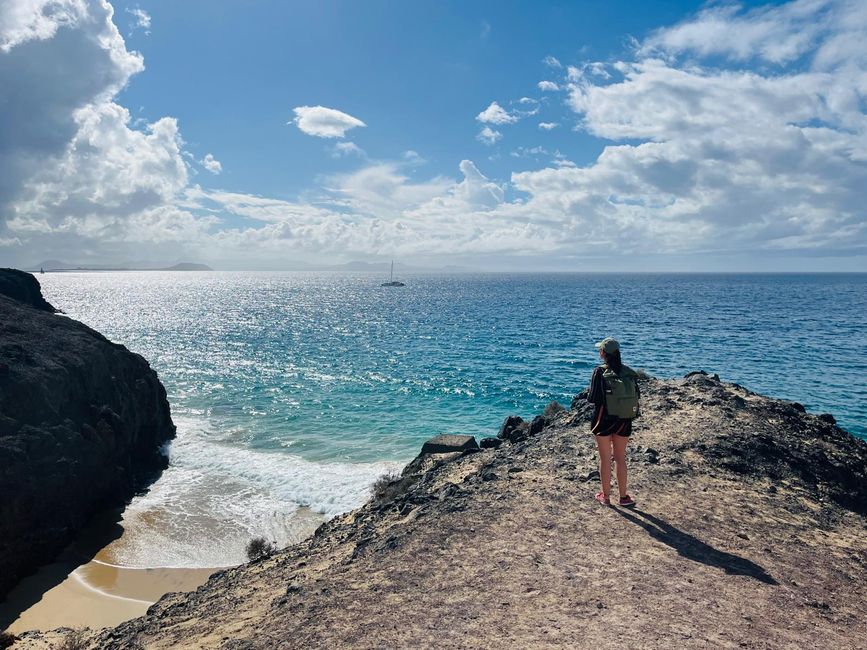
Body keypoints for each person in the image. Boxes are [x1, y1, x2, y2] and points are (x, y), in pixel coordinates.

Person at [587, 337, 640, 507]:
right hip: (624, 419)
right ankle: (624, 497)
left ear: (603, 353)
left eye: (599, 350)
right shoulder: (629, 372)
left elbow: (593, 398)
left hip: (603, 420)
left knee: (605, 459)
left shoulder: (599, 372)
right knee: (620, 458)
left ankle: (606, 496)